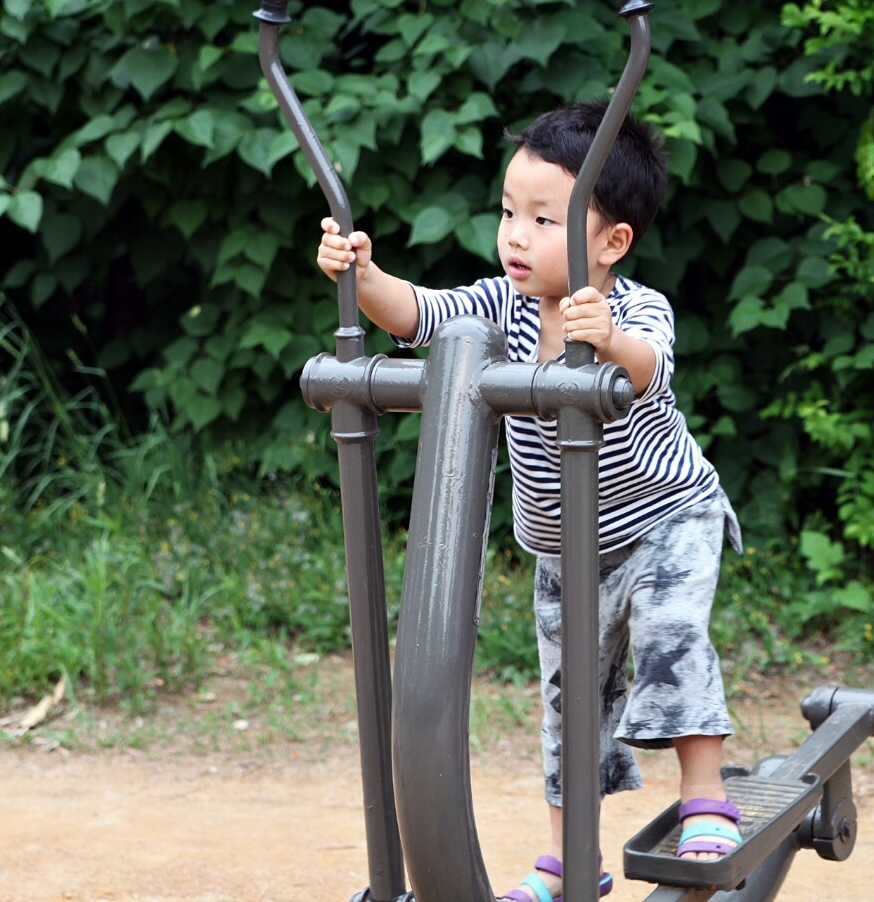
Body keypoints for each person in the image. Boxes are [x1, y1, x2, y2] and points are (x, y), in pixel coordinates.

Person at [316, 99, 743, 902]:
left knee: (672, 635)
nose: (515, 235)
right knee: (568, 699)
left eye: (544, 220)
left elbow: (648, 366)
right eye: (509, 212)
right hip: (563, 547)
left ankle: (705, 796)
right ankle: (567, 856)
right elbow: (416, 317)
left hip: (664, 520)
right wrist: (364, 274)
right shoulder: (497, 306)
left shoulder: (636, 309)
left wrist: (606, 337)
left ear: (611, 241)